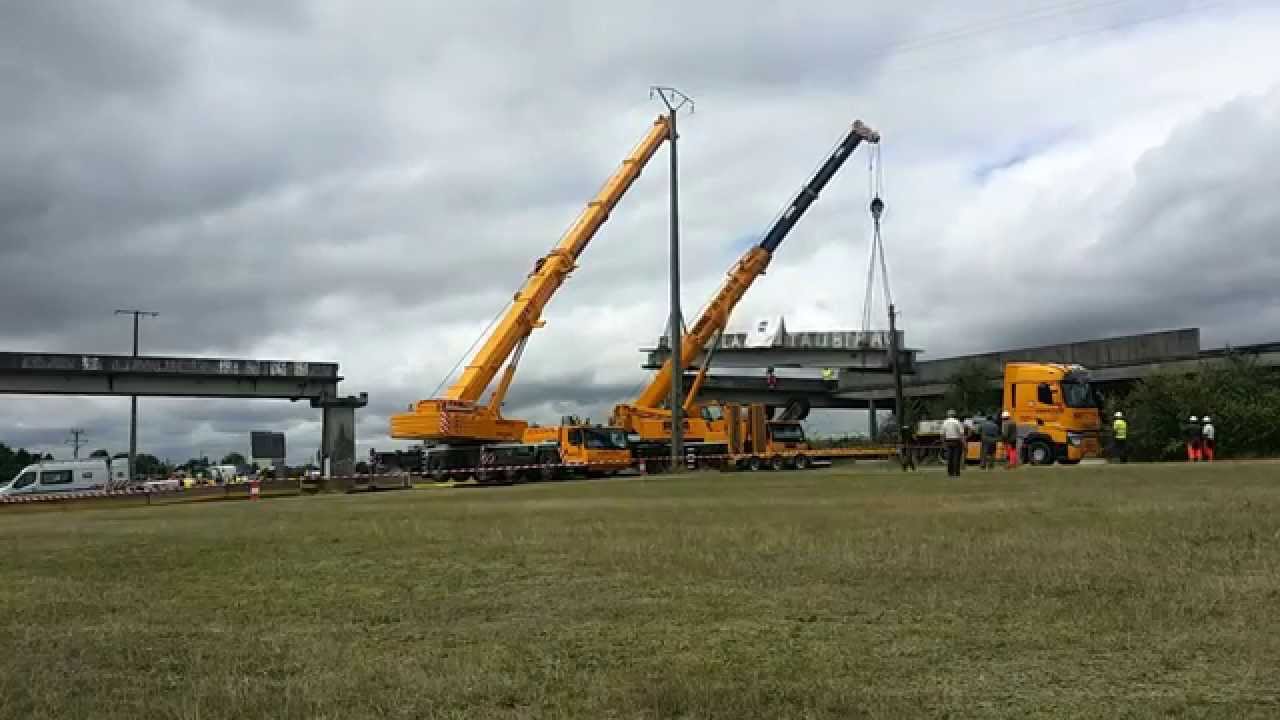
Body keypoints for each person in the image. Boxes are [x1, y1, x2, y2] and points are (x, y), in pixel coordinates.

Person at [941, 409, 965, 478]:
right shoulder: (957, 422)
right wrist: (964, 443)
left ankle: (950, 473)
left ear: (948, 415)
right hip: (956, 441)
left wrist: (943, 444)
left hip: (948, 441)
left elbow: (942, 435)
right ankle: (956, 473)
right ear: (954, 415)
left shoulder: (944, 422)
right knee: (956, 458)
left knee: (950, 458)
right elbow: (961, 434)